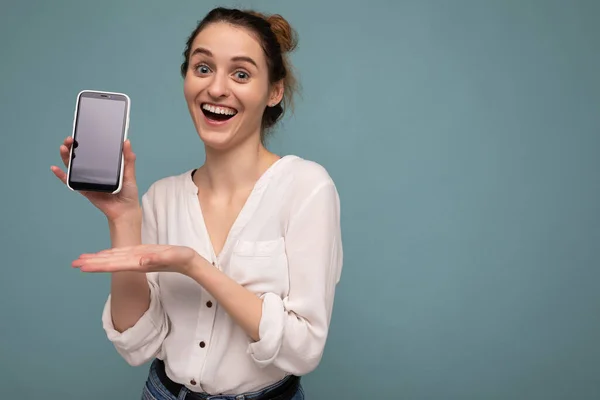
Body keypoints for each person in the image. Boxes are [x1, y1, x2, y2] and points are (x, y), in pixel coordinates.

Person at [51, 7, 343, 400]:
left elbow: (303, 348)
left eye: (241, 73)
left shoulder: (306, 187)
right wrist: (124, 219)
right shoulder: (162, 197)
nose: (217, 88)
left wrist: (194, 266)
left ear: (274, 90)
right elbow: (136, 343)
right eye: (203, 68)